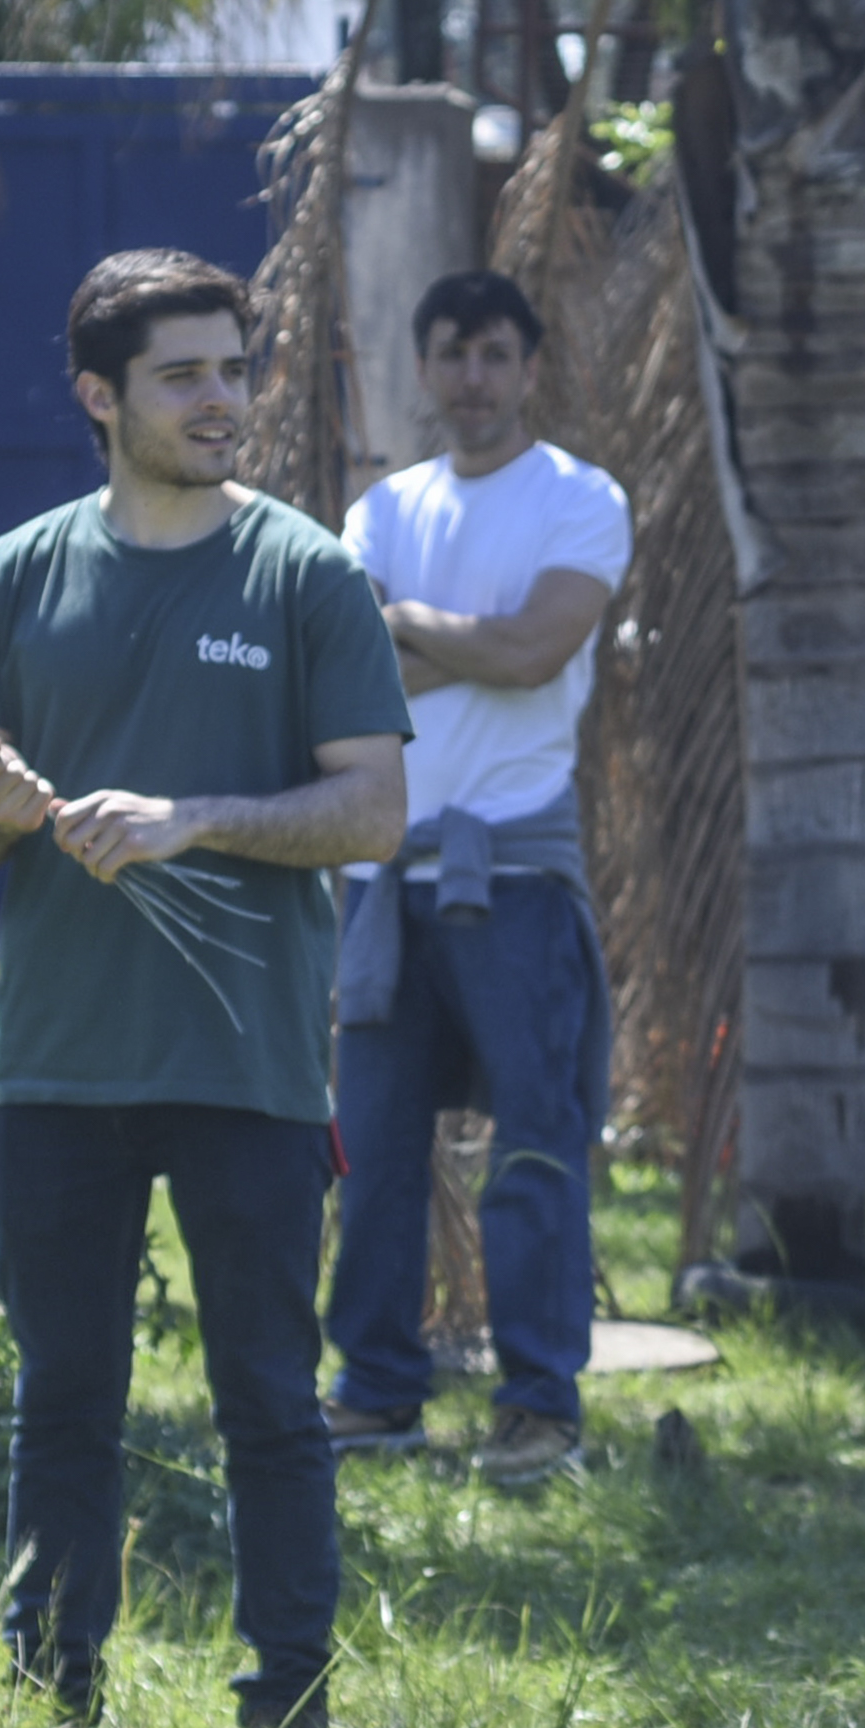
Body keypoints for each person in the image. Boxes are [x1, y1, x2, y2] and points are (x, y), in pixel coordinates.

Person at [0, 251, 409, 1728]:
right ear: (99, 394)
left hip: (248, 1064)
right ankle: (51, 1704)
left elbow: (372, 811)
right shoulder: (14, 574)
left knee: (267, 1399)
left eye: (232, 368)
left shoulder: (304, 574)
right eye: (182, 375)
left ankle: (289, 1715)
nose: (221, 399)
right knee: (62, 1398)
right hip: (53, 1065)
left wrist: (190, 818)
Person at [323, 269, 638, 1486]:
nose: (473, 377)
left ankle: (540, 1406)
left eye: (496, 353)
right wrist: (485, 642)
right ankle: (375, 1393)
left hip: (517, 874)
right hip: (383, 879)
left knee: (535, 1151)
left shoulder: (579, 497)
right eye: (452, 354)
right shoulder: (379, 509)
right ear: (424, 368)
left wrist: (410, 625)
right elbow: (355, 679)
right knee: (372, 1153)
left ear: (529, 367)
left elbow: (539, 651)